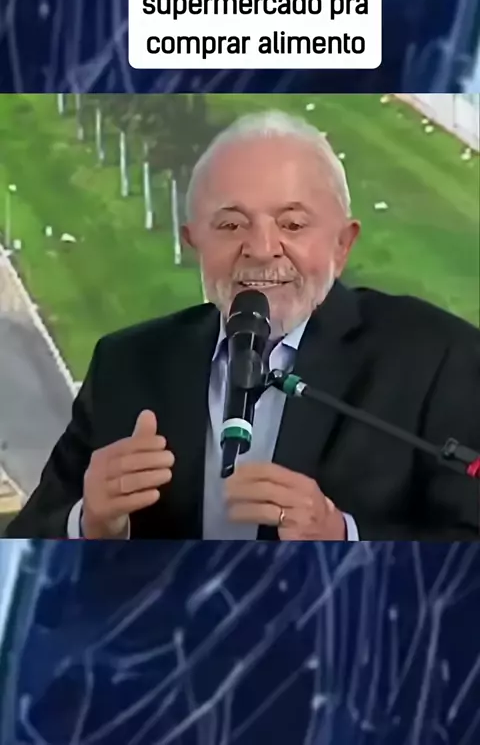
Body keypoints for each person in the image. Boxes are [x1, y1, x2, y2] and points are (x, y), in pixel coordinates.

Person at [5, 111, 480, 541]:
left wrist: (344, 539)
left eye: (292, 225)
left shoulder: (438, 356)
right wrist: (88, 523)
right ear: (193, 242)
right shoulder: (126, 363)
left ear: (342, 244)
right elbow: (24, 550)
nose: (261, 248)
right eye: (231, 226)